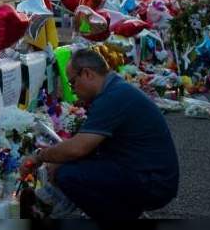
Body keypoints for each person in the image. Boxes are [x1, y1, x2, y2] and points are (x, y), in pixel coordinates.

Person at [20, 49, 179, 219]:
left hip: (153, 182)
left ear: (87, 74)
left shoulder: (113, 97)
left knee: (68, 175)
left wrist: (40, 157)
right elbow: (88, 147)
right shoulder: (115, 89)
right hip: (147, 173)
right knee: (68, 167)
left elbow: (78, 148)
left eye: (73, 83)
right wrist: (58, 159)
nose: (73, 91)